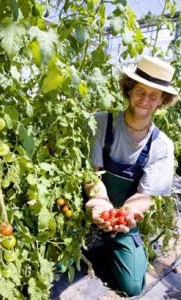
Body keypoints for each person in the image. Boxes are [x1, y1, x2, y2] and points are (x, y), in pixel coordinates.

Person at [83, 56, 179, 296]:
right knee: (61, 264)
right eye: (139, 91)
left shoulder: (162, 146)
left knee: (134, 285)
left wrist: (127, 215)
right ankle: (94, 239)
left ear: (162, 101)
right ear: (128, 89)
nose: (145, 100)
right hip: (90, 207)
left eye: (153, 95)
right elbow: (91, 175)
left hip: (123, 217)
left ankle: (111, 242)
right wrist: (99, 202)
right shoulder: (101, 123)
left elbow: (144, 195)